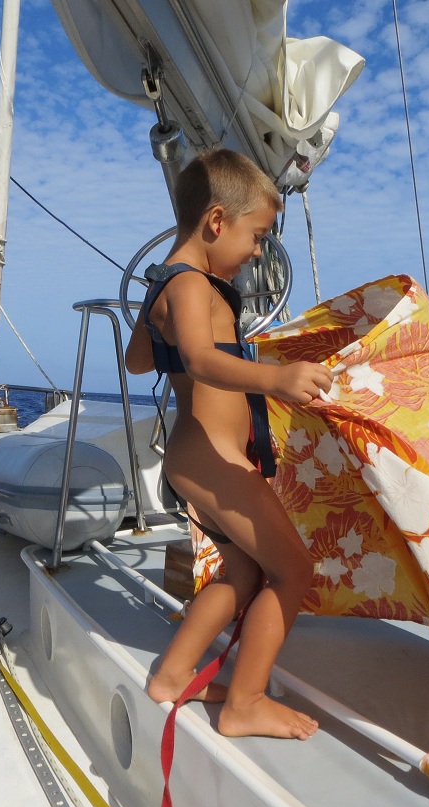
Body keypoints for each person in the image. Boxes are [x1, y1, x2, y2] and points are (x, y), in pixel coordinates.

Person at [125, 148, 331, 740]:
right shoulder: (191, 284)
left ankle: (172, 676)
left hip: (198, 455)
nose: (259, 252)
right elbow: (196, 359)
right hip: (213, 459)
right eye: (258, 236)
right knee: (293, 570)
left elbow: (139, 361)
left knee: (240, 573)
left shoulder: (171, 283)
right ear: (217, 221)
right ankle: (245, 702)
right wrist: (276, 379)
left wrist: (158, 307)